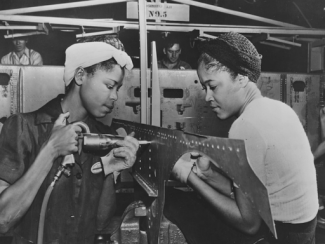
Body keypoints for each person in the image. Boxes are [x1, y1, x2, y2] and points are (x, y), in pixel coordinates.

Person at [165, 32, 318, 244]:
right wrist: (206, 174)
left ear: (242, 78)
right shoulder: (279, 108)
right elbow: (254, 193)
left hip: (279, 236)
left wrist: (188, 176)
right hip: (302, 233)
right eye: (204, 88)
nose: (208, 97)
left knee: (176, 203)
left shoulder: (245, 126)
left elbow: (249, 223)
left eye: (213, 86)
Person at [0, 42, 139, 244]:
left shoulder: (100, 136)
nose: (114, 96)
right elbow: (3, 220)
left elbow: (100, 223)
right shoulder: (24, 127)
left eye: (117, 88)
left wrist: (109, 172)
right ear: (81, 76)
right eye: (109, 86)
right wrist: (51, 150)